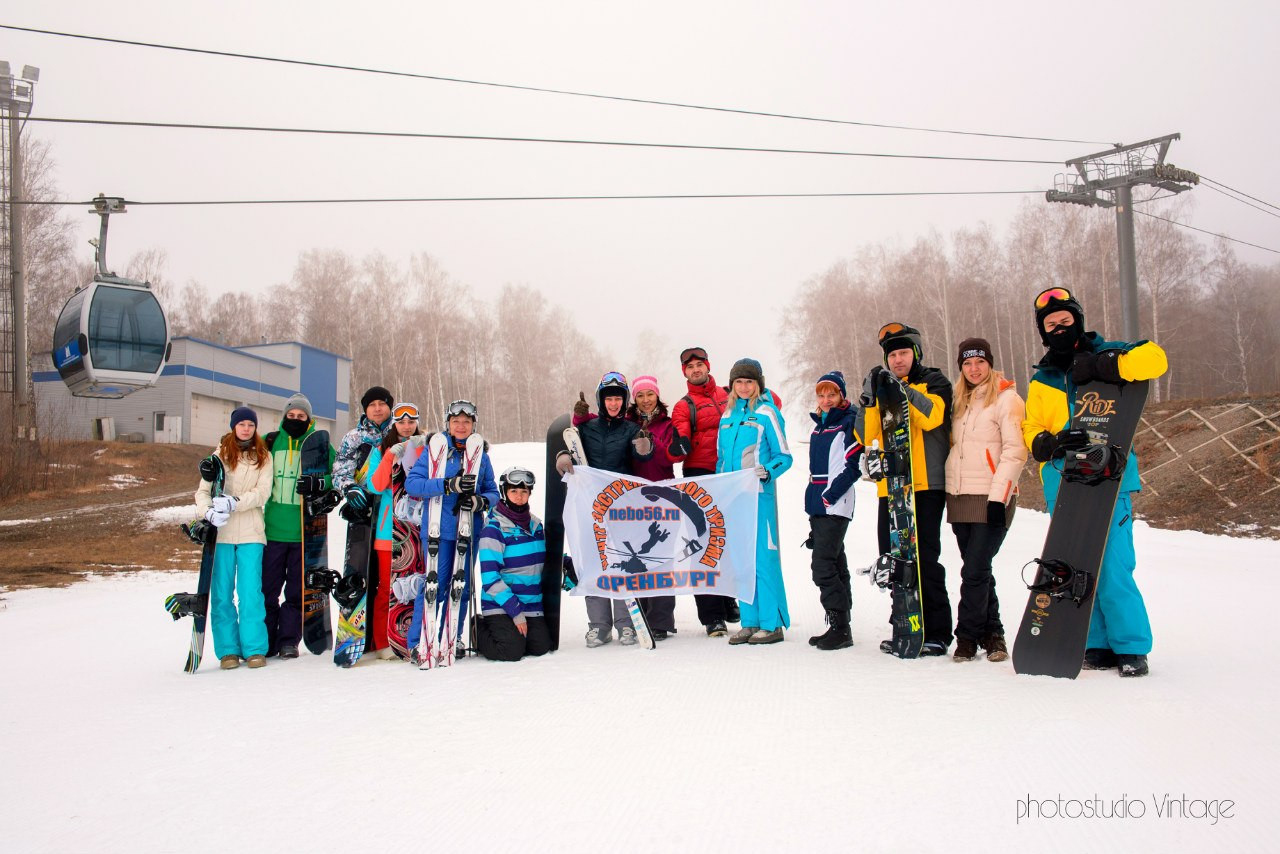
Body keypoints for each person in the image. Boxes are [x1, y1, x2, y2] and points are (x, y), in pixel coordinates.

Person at [1023, 287, 1167, 677]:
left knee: (1115, 564)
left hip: (1110, 479)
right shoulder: (1044, 378)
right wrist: (1048, 442)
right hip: (1062, 482)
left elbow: (1155, 358)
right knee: (1077, 563)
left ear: (1078, 320)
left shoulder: (1111, 351)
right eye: (1049, 325)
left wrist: (1105, 368)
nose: (1058, 328)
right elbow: (1032, 427)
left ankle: (1131, 645)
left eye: (1064, 321)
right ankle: (1097, 642)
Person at [860, 322, 954, 656]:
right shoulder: (884, 387)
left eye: (903, 353)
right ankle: (905, 622)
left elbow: (932, 418)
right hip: (893, 487)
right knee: (894, 557)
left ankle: (938, 631)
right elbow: (865, 435)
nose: (897, 360)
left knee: (925, 557)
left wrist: (901, 390)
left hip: (926, 483)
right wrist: (870, 399)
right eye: (892, 355)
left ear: (915, 353)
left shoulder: (935, 381)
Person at [556, 372, 654, 647]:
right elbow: (571, 450)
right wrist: (562, 457)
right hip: (591, 505)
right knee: (595, 561)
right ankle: (599, 625)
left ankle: (626, 623)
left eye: (618, 399)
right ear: (602, 400)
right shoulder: (587, 429)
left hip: (622, 506)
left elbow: (641, 459)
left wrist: (645, 448)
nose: (613, 403)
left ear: (624, 402)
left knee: (624, 559)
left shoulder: (632, 429)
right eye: (609, 398)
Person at [945, 338, 1027, 663]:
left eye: (979, 362)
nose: (974, 369)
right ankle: (994, 635)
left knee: (975, 570)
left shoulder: (1008, 399)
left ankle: (966, 639)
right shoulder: (958, 402)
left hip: (993, 497)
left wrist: (999, 497)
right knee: (979, 570)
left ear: (990, 363)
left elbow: (1015, 450)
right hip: (961, 496)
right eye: (967, 364)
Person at [404, 400, 500, 662]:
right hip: (438, 528)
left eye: (466, 422)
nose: (461, 426)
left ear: (473, 425)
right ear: (448, 423)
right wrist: (447, 485)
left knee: (462, 586)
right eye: (456, 421)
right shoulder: (434, 451)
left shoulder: (482, 456)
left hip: (468, 530)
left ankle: (452, 636)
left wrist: (480, 501)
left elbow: (493, 492)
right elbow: (413, 485)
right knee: (435, 583)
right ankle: (418, 641)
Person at [717, 358, 793, 645]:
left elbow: (784, 457)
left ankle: (772, 623)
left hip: (759, 498)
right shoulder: (727, 417)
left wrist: (767, 472)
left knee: (764, 558)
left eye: (749, 381)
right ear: (733, 385)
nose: (744, 386)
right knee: (742, 562)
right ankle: (749, 622)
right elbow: (720, 460)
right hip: (735, 501)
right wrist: (719, 489)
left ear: (758, 384)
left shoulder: (766, 413)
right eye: (739, 382)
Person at [667, 347, 739, 636]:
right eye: (690, 367)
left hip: (729, 474)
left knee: (729, 540)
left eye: (700, 365)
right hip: (700, 476)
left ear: (708, 366)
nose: (696, 370)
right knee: (704, 543)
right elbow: (680, 430)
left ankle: (728, 598)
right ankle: (712, 615)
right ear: (684, 372)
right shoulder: (684, 405)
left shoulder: (728, 393)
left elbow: (768, 403)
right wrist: (680, 444)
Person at [196, 407, 273, 670]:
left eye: (251, 424)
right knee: (221, 593)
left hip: (251, 531)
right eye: (241, 424)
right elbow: (203, 492)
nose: (246, 428)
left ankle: (254, 649)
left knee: (250, 592)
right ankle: (228, 650)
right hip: (223, 534)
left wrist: (234, 503)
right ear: (233, 426)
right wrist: (207, 512)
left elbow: (262, 493)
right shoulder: (217, 457)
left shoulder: (263, 456)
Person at [260, 393, 334, 659]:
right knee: (267, 588)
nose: (295, 419)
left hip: (304, 530)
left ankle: (289, 641)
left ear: (309, 419)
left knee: (295, 589)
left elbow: (338, 474)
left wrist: (319, 482)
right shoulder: (270, 442)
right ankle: (266, 639)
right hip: (271, 530)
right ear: (284, 417)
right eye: (291, 416)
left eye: (300, 416)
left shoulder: (317, 445)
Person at [804, 370, 864, 651]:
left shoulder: (847, 422)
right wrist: (814, 502)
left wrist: (830, 496)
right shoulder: (819, 427)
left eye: (832, 394)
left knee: (822, 567)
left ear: (841, 395)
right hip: (819, 504)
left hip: (836, 504)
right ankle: (841, 625)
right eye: (822, 394)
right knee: (836, 563)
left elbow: (853, 467)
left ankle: (841, 628)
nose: (826, 400)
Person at [475, 466, 552, 661]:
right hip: (501, 604)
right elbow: (490, 579)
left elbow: (544, 558)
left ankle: (514, 633)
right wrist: (515, 612)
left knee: (540, 647)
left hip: (531, 602)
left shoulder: (535, 525)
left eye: (524, 491)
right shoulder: (494, 528)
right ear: (504, 493)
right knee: (511, 651)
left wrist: (565, 564)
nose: (519, 496)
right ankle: (477, 628)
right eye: (514, 491)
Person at [366, 402, 424, 661]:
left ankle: (411, 635)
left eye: (411, 421)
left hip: (419, 528)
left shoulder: (425, 446)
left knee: (415, 585)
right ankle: (382, 641)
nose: (407, 426)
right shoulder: (381, 449)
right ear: (394, 423)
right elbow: (375, 485)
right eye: (401, 421)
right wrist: (390, 455)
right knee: (387, 587)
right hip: (390, 532)